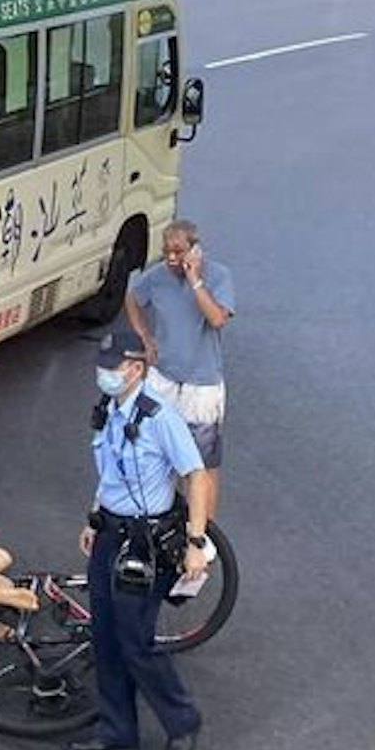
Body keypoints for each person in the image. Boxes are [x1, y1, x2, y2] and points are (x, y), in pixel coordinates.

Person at [67, 322, 210, 750]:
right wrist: (94, 517)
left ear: (135, 369)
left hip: (144, 544)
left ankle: (182, 721)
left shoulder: (158, 417)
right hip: (110, 535)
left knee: (136, 642)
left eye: (112, 368)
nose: (103, 374)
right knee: (105, 635)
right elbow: (111, 470)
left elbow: (197, 475)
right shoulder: (110, 408)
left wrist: (195, 542)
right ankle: (117, 731)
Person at [123, 218, 234, 525]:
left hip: (202, 387)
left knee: (202, 464)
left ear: (195, 250)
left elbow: (217, 319)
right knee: (155, 452)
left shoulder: (219, 276)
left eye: (178, 251)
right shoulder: (156, 277)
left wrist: (195, 280)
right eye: (166, 251)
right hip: (163, 379)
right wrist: (144, 336)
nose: (171, 258)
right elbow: (132, 298)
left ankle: (203, 532)